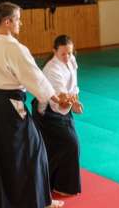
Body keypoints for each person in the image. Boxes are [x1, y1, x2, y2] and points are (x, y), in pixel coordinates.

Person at [0, 2, 69, 208]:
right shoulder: (15, 48)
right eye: (17, 19)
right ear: (7, 22)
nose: (20, 23)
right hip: (11, 105)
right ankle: (39, 199)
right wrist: (55, 97)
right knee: (35, 149)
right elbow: (34, 78)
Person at [32, 35, 83, 196]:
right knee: (70, 144)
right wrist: (72, 104)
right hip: (47, 112)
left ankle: (52, 183)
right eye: (63, 54)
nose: (67, 57)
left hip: (63, 109)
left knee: (55, 148)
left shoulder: (71, 60)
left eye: (70, 52)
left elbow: (73, 87)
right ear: (54, 51)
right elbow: (60, 100)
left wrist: (75, 101)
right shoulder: (52, 69)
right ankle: (62, 185)